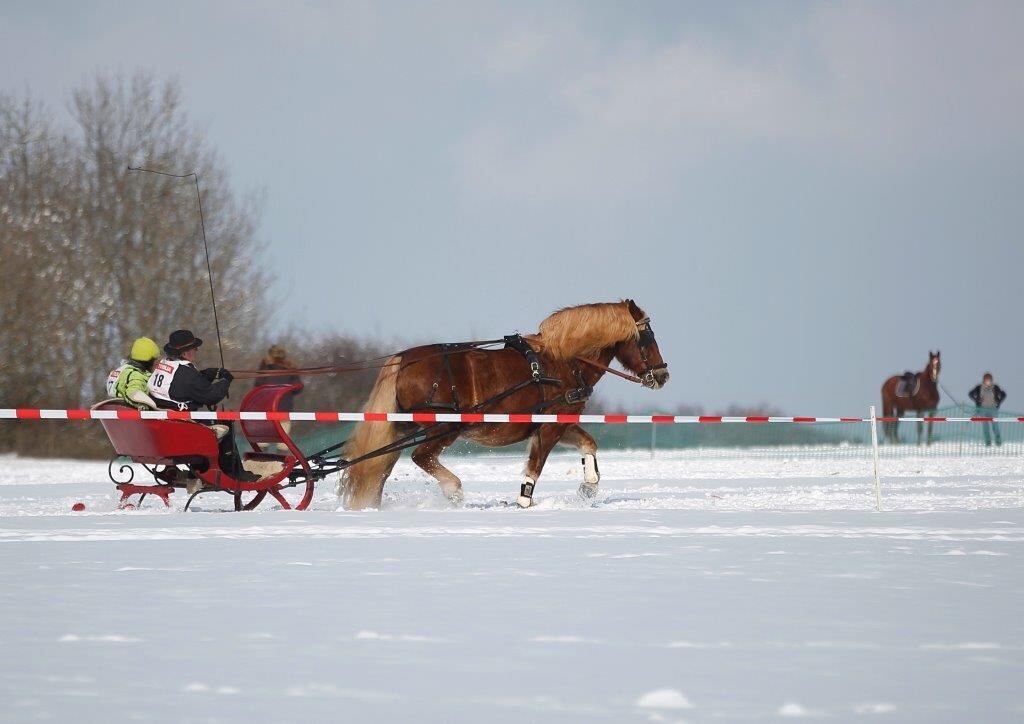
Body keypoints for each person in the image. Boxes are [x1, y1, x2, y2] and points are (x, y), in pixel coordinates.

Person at [149, 330, 272, 484]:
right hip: (181, 429)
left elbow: (184, 387)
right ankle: (233, 472)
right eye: (194, 348)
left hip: (166, 427)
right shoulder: (186, 374)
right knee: (226, 423)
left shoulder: (164, 366)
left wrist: (206, 374)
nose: (197, 350)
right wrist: (226, 380)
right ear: (186, 353)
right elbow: (211, 395)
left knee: (210, 420)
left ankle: (203, 468)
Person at [108, 337, 161, 410]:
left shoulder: (124, 369)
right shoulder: (136, 375)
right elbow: (133, 392)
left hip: (117, 408)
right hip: (130, 410)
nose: (156, 364)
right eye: (155, 361)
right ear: (149, 361)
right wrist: (144, 405)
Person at [969, 373, 1007, 447]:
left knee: (995, 425)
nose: (988, 381)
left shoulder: (995, 387)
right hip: (982, 409)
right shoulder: (979, 387)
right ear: (983, 380)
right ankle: (988, 441)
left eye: (989, 380)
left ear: (991, 380)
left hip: (993, 409)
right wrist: (977, 399)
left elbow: (1004, 394)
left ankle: (998, 440)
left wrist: (999, 401)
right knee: (985, 426)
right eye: (986, 380)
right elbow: (970, 394)